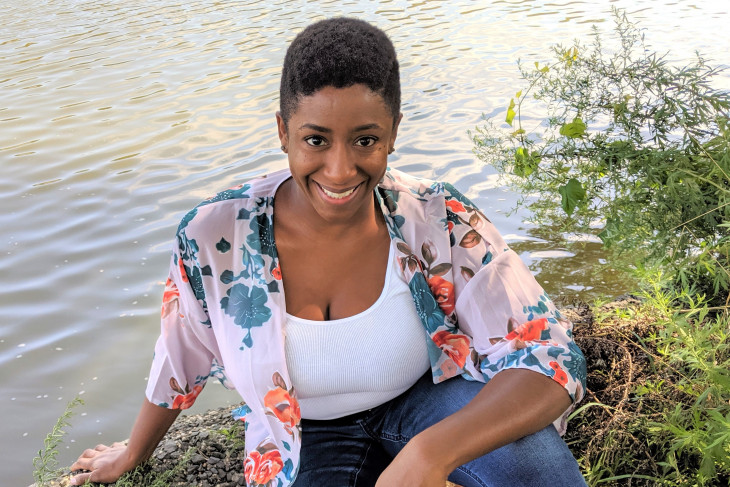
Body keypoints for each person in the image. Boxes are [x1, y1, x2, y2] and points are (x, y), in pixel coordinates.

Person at [70, 17, 587, 487]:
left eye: (365, 140)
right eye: (316, 140)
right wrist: (132, 454)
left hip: (427, 398)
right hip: (304, 432)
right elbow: (181, 353)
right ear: (282, 132)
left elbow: (548, 358)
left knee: (540, 475)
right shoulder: (215, 238)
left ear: (393, 133)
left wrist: (430, 455)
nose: (340, 170)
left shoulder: (438, 218)